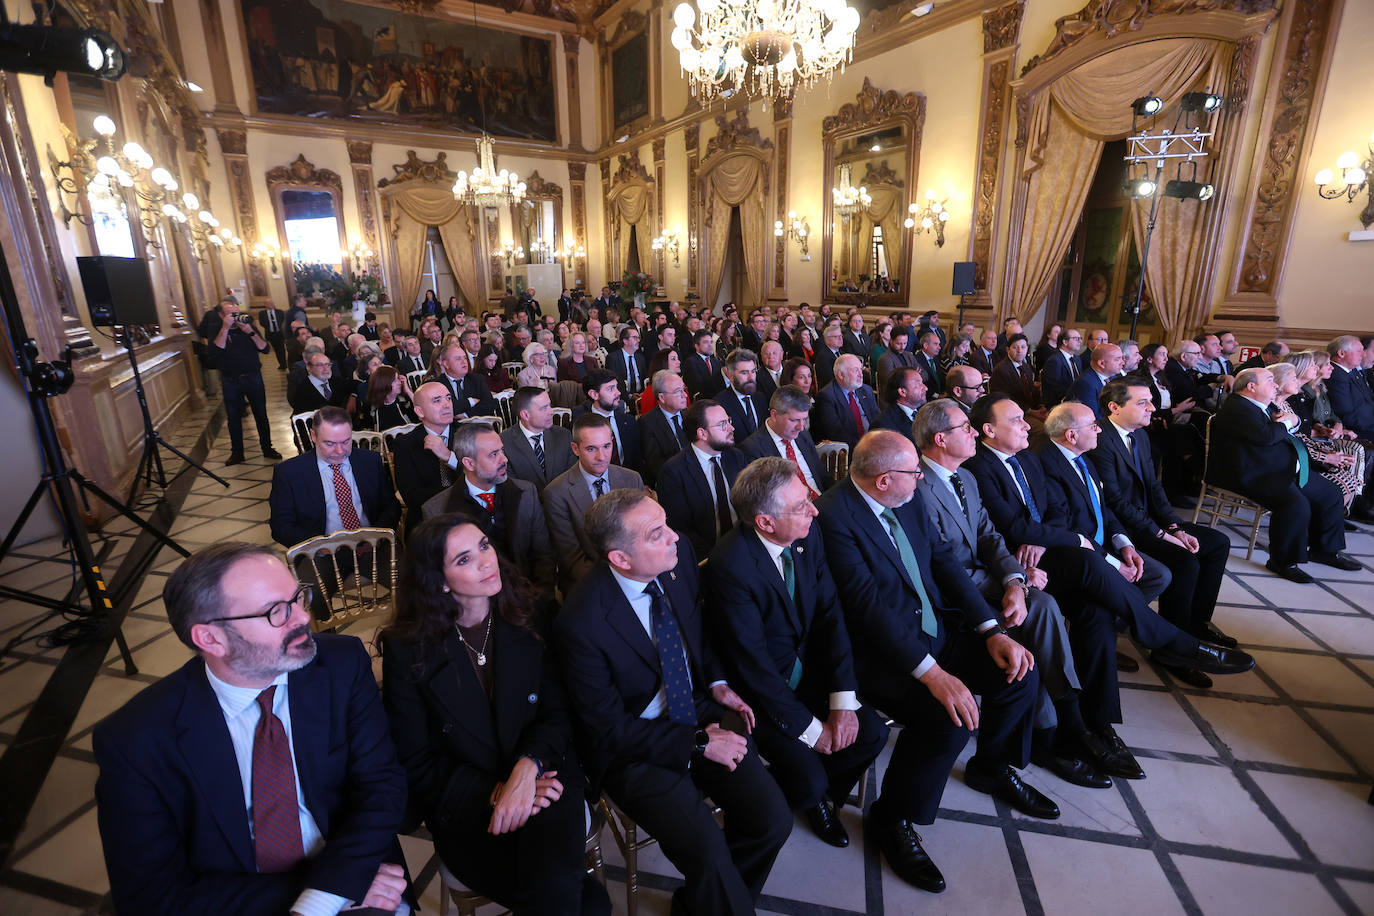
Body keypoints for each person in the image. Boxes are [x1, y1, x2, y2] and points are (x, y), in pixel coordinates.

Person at [93, 543, 410, 916]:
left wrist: (337, 884)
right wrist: (325, 894)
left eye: (296, 598)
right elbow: (152, 897)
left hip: (354, 867)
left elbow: (382, 785)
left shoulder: (341, 665)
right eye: (275, 611)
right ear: (210, 638)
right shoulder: (135, 740)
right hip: (242, 901)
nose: (302, 618)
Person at [815, 431, 1050, 894]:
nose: (922, 477)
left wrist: (991, 630)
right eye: (913, 472)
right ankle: (892, 817)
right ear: (884, 481)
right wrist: (935, 675)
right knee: (948, 718)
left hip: (935, 627)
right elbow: (866, 608)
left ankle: (992, 765)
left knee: (1018, 671)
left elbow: (943, 561)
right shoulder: (834, 516)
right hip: (881, 654)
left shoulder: (908, 496)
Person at [556, 490, 792, 915]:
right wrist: (699, 743)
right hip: (634, 746)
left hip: (692, 704)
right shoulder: (580, 623)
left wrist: (717, 681)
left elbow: (696, 630)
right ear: (621, 559)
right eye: (657, 533)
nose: (676, 540)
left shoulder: (675, 563)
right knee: (709, 851)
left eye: (667, 523)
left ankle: (703, 904)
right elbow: (608, 730)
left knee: (772, 820)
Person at [382, 515, 610, 916]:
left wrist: (527, 767)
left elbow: (558, 711)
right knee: (588, 903)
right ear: (439, 581)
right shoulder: (408, 650)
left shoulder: (529, 610)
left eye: (485, 546)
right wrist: (497, 792)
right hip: (470, 806)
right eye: (465, 559)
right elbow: (417, 761)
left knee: (564, 892)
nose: (487, 562)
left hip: (547, 776)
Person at [964, 394, 1254, 678]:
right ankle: (1175, 643)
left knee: (1101, 609)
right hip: (1029, 558)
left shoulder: (1027, 457)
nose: (1028, 425)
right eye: (1017, 420)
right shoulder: (981, 467)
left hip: (1056, 544)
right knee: (1091, 560)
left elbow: (1058, 511)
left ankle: (1098, 721)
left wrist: (1130, 540)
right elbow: (1014, 528)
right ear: (988, 430)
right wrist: (1080, 543)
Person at [914, 401, 1125, 787]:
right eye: (966, 427)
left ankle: (1063, 725)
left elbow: (990, 537)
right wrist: (1014, 586)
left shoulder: (965, 477)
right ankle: (1062, 729)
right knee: (1040, 610)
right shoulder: (918, 488)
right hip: (950, 599)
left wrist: (1014, 580)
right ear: (941, 439)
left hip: (987, 581)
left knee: (1046, 609)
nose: (974, 432)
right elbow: (942, 566)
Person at [705, 458, 889, 846]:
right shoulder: (731, 566)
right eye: (801, 505)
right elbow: (752, 666)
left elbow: (830, 615)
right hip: (763, 693)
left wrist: (841, 701)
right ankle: (809, 797)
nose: (814, 509)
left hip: (811, 671)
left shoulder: (808, 535)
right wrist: (811, 731)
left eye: (808, 498)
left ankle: (822, 798)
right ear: (765, 523)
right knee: (808, 777)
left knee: (869, 734)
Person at [1091, 380, 1237, 686]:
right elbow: (1113, 501)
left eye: (1150, 402)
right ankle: (1171, 649)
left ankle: (1195, 627)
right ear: (1114, 407)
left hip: (1147, 521)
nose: (1152, 409)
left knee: (1217, 543)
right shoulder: (1100, 439)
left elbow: (1154, 488)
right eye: (1143, 403)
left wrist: (1173, 526)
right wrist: (1160, 535)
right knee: (1185, 562)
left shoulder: (1140, 436)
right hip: (1121, 528)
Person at [1208, 368, 1359, 583]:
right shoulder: (1236, 407)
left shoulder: (1263, 405)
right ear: (1251, 386)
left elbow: (1291, 425)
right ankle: (1283, 561)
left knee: (1330, 492)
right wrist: (1288, 422)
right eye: (1270, 380)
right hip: (1251, 472)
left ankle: (1325, 550)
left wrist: (1293, 420)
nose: (1276, 385)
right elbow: (1267, 436)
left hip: (1277, 467)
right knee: (1295, 504)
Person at [419, 424, 557, 600]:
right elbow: (440, 579)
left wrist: (540, 600)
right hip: (474, 605)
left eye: (502, 451)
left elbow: (543, 555)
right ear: (469, 463)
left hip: (526, 597)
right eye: (494, 454)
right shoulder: (436, 511)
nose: (504, 459)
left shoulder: (526, 493)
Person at [268, 405, 402, 548]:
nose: (340, 451)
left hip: (372, 545)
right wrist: (319, 546)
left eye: (346, 442)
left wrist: (377, 536)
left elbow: (391, 506)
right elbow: (280, 526)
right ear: (313, 436)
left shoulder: (370, 461)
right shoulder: (289, 472)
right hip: (319, 552)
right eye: (330, 443)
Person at [542, 414, 646, 593]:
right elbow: (572, 559)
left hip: (636, 574)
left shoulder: (631, 478)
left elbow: (642, 535)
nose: (602, 456)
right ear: (575, 448)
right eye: (591, 449)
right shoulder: (556, 493)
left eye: (607, 446)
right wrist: (619, 585)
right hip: (589, 585)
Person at [657, 400, 747, 557]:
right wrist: (718, 556)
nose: (731, 428)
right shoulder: (674, 472)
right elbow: (681, 529)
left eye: (729, 421)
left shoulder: (736, 457)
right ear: (702, 433)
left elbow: (750, 504)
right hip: (706, 555)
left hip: (744, 544)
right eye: (722, 424)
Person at [208, 299, 281, 464]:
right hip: (230, 380)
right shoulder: (216, 329)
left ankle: (267, 447)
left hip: (253, 377)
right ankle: (237, 452)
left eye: (237, 313)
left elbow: (265, 348)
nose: (236, 317)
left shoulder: (249, 327)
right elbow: (215, 352)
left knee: (261, 414)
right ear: (221, 315)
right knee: (233, 417)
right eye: (231, 314)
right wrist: (225, 328)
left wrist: (250, 331)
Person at [391, 382, 464, 535]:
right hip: (427, 521)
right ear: (419, 411)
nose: (446, 405)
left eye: (448, 398)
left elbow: (482, 478)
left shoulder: (469, 434)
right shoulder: (405, 445)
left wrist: (449, 457)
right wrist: (458, 493)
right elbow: (412, 498)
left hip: (469, 512)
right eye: (437, 400)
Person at [738, 385, 833, 497]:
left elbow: (822, 475)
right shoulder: (752, 449)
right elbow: (765, 498)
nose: (801, 427)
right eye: (794, 420)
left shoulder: (803, 435)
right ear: (774, 415)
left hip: (820, 499)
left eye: (804, 419)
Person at [501, 386, 575, 488]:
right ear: (525, 415)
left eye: (550, 405)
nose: (551, 412)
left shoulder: (563, 435)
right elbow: (511, 486)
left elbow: (573, 476)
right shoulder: (503, 443)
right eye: (544, 408)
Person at [572, 368, 641, 471]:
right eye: (610, 389)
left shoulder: (629, 421)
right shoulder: (580, 424)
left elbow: (637, 460)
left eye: (616, 387)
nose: (618, 393)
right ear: (594, 394)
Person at [811, 354, 878, 449]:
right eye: (855, 370)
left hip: (874, 443)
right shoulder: (826, 397)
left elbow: (877, 419)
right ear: (841, 375)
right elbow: (836, 434)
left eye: (861, 369)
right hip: (851, 450)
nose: (861, 374)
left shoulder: (866, 390)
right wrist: (864, 447)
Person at [638, 369, 691, 486]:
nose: (685, 395)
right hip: (673, 479)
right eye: (678, 391)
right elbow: (655, 463)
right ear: (662, 397)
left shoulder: (691, 414)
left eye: (684, 389)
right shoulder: (647, 423)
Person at [1326, 334, 1374, 440]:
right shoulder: (1335, 375)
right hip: (1359, 432)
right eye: (1358, 351)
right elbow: (1347, 415)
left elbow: (1369, 401)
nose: (1363, 355)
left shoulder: (1353, 371)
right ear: (1341, 353)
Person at [433, 342, 498, 420]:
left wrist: (466, 415)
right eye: (458, 358)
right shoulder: (437, 385)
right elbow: (441, 409)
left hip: (477, 427)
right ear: (446, 364)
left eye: (465, 358)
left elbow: (490, 405)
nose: (464, 362)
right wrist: (470, 402)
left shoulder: (477, 379)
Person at [1063, 343, 1125, 418]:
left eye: (1122, 358)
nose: (1122, 363)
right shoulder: (1085, 384)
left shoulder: (1113, 378)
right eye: (1117, 359)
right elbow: (1093, 418)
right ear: (1102, 363)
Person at [872, 367, 928, 444]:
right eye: (918, 384)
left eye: (922, 383)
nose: (925, 388)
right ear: (902, 392)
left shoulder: (924, 413)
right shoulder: (884, 425)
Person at [990, 333, 1042, 413]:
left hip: (1030, 409)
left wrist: (1040, 406)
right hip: (1014, 412)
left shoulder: (1027, 367)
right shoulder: (1001, 370)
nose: (1019, 351)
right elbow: (1004, 399)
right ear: (1008, 349)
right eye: (1015, 347)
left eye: (1023, 347)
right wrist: (1029, 411)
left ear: (1027, 348)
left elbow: (1031, 391)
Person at [362, 366, 419, 431]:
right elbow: (367, 432)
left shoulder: (404, 401)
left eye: (398, 379)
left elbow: (422, 416)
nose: (399, 383)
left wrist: (408, 391)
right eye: (395, 381)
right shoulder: (370, 406)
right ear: (383, 384)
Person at [1039, 328, 1082, 408]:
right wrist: (1074, 399)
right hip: (1058, 403)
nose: (1080, 341)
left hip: (1073, 400)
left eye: (1080, 338)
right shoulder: (1054, 361)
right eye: (1076, 339)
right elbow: (1056, 388)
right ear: (1065, 342)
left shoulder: (1077, 359)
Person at [682, 329, 725, 399]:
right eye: (705, 342)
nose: (710, 345)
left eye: (711, 342)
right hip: (701, 402)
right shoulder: (691, 362)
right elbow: (698, 387)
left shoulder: (716, 362)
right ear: (696, 346)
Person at [608, 325, 649, 397]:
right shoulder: (613, 358)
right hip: (622, 397)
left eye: (638, 338)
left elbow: (645, 378)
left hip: (641, 396)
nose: (638, 340)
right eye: (634, 338)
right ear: (625, 341)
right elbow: (613, 383)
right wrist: (629, 396)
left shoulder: (640, 357)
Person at [258, 301, 289, 370]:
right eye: (269, 303)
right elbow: (261, 323)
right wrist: (269, 326)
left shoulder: (279, 312)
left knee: (282, 349)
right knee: (276, 349)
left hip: (279, 333)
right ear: (265, 305)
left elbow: (282, 320)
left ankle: (284, 364)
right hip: (270, 334)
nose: (271, 305)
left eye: (272, 303)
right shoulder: (262, 313)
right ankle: (281, 363)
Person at [913, 330, 945, 396]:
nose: (939, 347)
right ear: (925, 345)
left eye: (939, 344)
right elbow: (920, 384)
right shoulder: (916, 360)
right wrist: (937, 396)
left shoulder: (936, 359)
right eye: (936, 344)